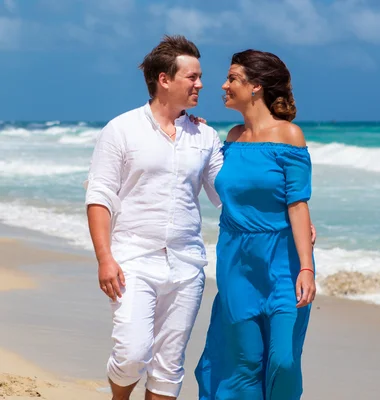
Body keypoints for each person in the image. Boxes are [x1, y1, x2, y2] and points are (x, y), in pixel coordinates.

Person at [85, 35, 223, 400]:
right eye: (192, 77)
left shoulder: (205, 135)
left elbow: (227, 193)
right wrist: (104, 258)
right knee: (132, 354)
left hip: (186, 263)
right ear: (165, 79)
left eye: (200, 76)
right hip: (133, 259)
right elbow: (100, 196)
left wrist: (289, 216)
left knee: (168, 365)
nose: (201, 84)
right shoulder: (121, 129)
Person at [195, 49, 317, 399]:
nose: (224, 85)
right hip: (237, 260)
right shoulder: (230, 139)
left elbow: (298, 203)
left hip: (282, 260)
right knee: (245, 361)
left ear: (256, 87)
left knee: (284, 360)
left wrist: (306, 267)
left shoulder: (289, 135)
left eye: (232, 78)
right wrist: (193, 129)